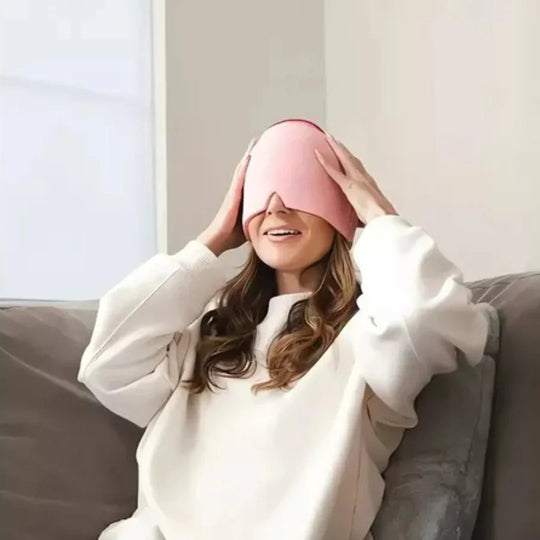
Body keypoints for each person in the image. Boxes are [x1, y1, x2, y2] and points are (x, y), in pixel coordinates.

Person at [78, 118, 495, 540]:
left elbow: (424, 318)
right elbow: (106, 364)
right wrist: (212, 240)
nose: (276, 206)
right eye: (262, 190)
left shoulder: (368, 336)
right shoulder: (211, 330)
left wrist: (379, 217)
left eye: (299, 184)